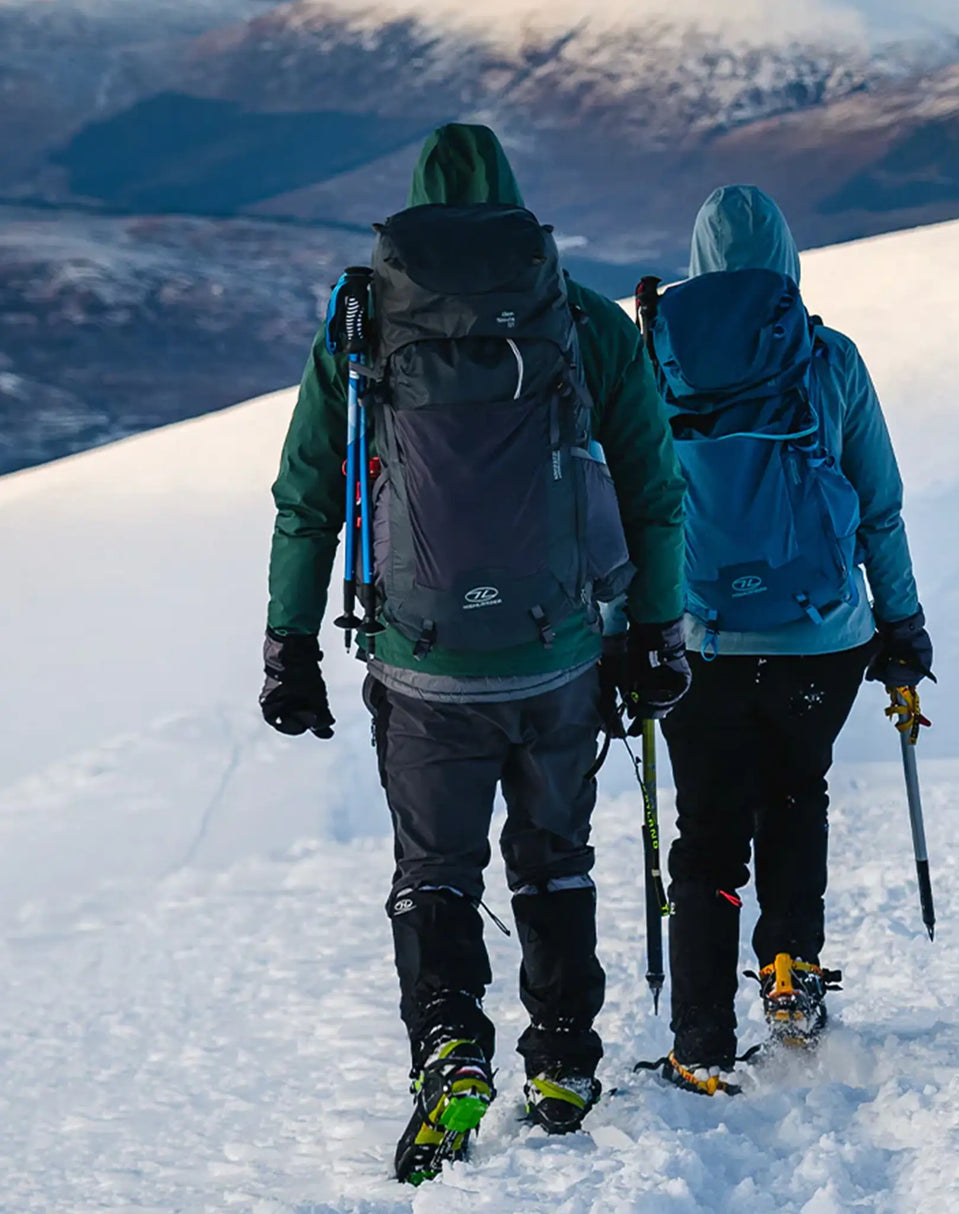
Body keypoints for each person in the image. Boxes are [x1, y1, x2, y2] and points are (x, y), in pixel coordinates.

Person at [258, 123, 689, 1181]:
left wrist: (288, 645)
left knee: (435, 869)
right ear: (510, 205)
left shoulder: (362, 326)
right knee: (553, 858)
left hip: (419, 659)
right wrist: (656, 632)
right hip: (558, 654)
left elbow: (310, 494)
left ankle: (448, 1041)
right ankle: (562, 1060)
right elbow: (650, 489)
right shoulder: (578, 318)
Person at [648, 185, 933, 1094]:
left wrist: (625, 633)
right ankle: (790, 979)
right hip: (821, 638)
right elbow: (877, 507)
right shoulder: (829, 358)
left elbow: (631, 512)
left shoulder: (655, 355)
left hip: (701, 639)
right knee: (794, 795)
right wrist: (902, 624)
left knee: (707, 835)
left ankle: (698, 1039)